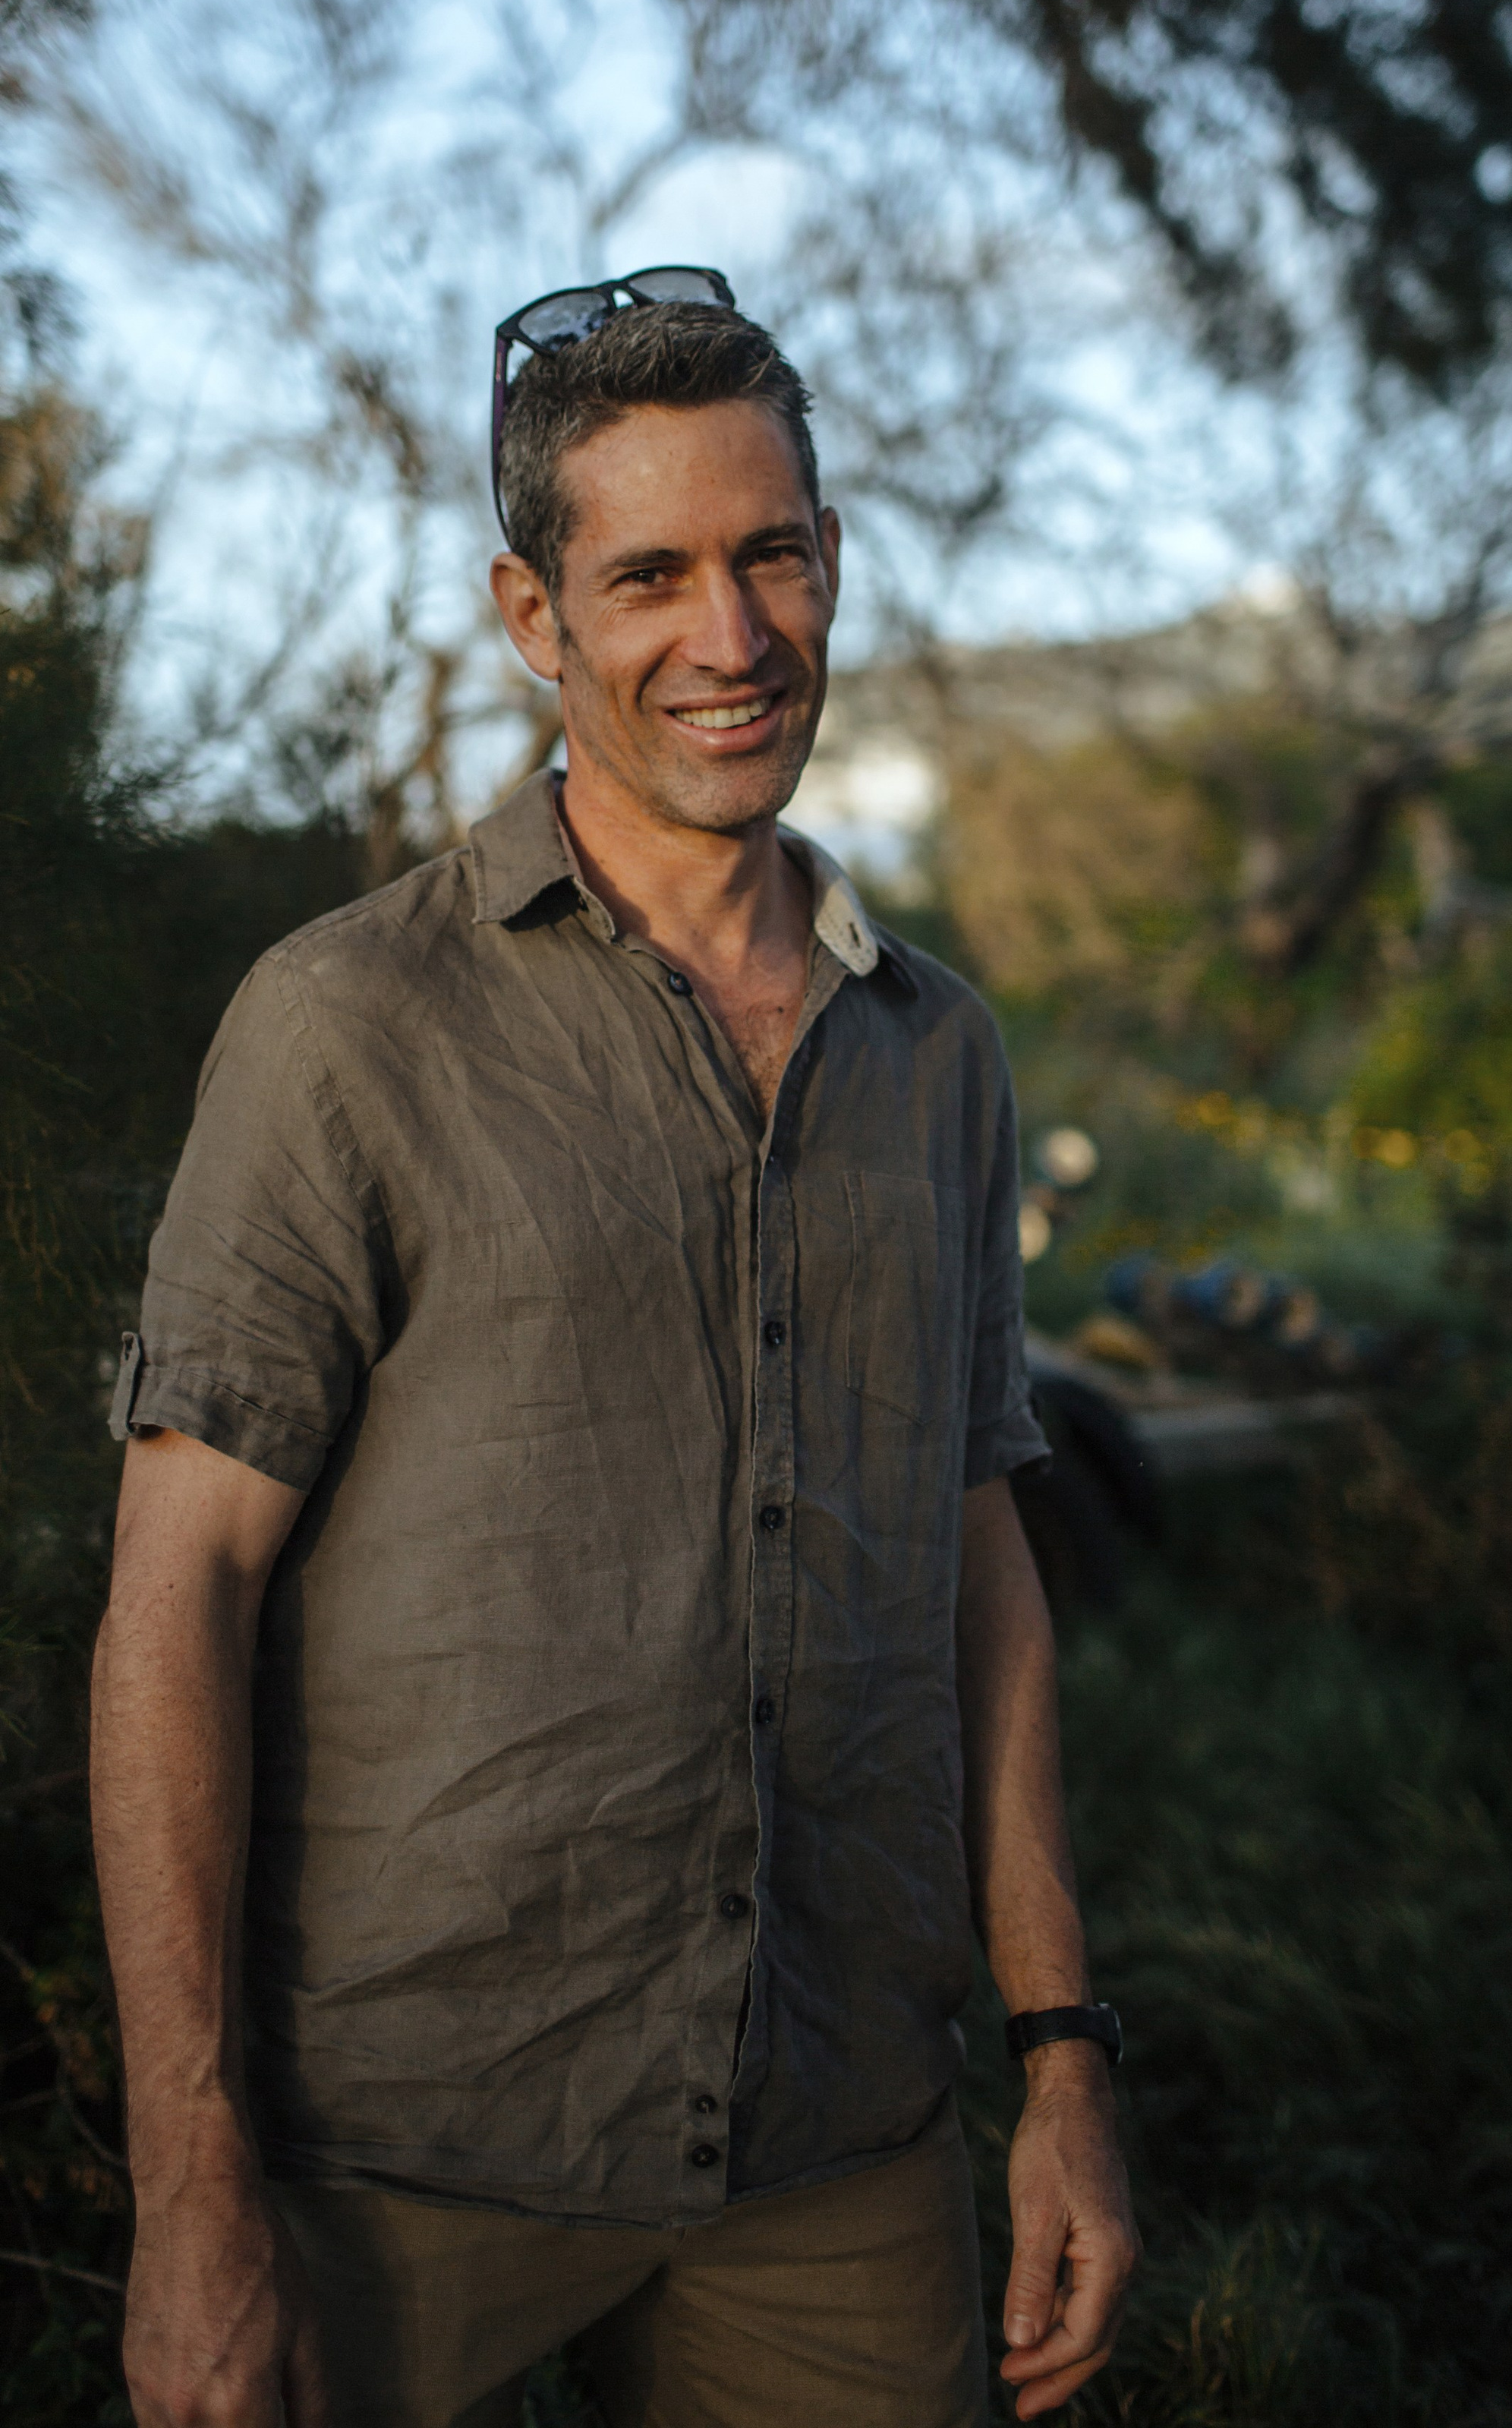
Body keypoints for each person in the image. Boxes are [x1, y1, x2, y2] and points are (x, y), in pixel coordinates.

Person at [91, 276, 1139, 2428]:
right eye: (648, 573)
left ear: (830, 563)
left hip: (837, 2141)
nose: (730, 638)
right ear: (533, 616)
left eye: (772, 554)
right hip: (407, 2159)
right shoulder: (346, 1027)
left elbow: (977, 1560)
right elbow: (175, 1596)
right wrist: (191, 2185)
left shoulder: (938, 1054)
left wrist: (1059, 2057)